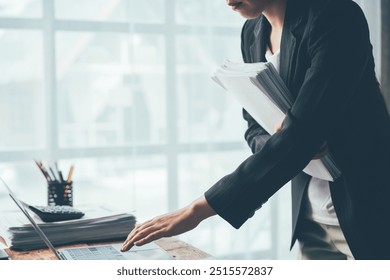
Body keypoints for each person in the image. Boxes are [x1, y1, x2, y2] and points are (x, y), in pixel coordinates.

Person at [121, 0, 390, 260]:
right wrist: (282, 138)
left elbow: (305, 132)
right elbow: (254, 128)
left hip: (370, 210)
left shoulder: (335, 15)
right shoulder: (252, 31)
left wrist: (197, 210)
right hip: (310, 218)